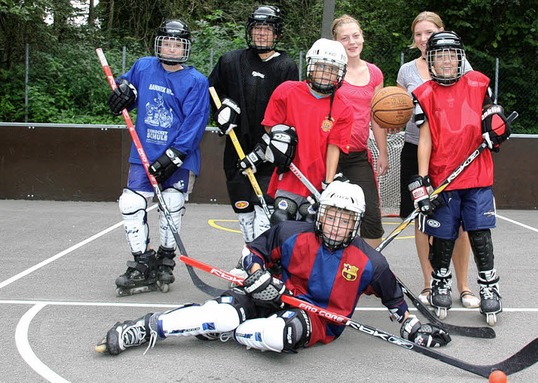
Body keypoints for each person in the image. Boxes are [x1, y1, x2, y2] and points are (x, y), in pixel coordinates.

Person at [95, 181, 451, 355]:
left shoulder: (370, 262)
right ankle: (144, 328)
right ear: (320, 213)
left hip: (316, 319)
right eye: (331, 216)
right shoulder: (291, 233)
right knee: (221, 315)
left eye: (345, 220)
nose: (336, 225)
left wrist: (413, 329)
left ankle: (234, 330)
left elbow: (396, 304)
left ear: (356, 223)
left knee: (278, 337)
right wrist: (256, 277)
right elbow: (252, 255)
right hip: (272, 296)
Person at [409, 31, 511, 325]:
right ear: (430, 60)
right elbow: (425, 140)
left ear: (459, 58)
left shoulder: (479, 83)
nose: (445, 61)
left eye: (450, 56)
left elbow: (492, 119)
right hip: (443, 177)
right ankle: (441, 282)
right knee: (442, 234)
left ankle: (489, 286)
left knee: (479, 232)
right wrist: (424, 179)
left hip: (477, 174)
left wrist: (496, 131)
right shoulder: (424, 94)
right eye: (439, 56)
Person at [106, 19, 210, 296]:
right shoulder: (143, 66)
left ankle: (165, 258)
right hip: (143, 153)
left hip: (179, 157)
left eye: (177, 44)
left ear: (185, 48)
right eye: (167, 43)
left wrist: (174, 156)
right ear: (158, 44)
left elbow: (195, 123)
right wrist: (122, 92)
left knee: (172, 205)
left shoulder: (196, 81)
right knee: (130, 203)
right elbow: (127, 86)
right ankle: (142, 261)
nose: (172, 49)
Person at [396, 11, 480, 309]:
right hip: (415, 148)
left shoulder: (458, 62)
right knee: (422, 219)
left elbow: (472, 102)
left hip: (453, 153)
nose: (422, 39)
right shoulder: (407, 71)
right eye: (418, 34)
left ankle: (465, 286)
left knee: (459, 222)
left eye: (428, 32)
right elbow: (401, 112)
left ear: (441, 32)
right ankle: (430, 283)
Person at [210, 5, 298, 244]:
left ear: (277, 34)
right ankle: (248, 255)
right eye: (257, 28)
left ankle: (260, 259)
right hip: (236, 148)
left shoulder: (286, 67)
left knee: (265, 209)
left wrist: (262, 151)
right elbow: (211, 94)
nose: (261, 34)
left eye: (267, 29)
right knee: (243, 207)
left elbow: (289, 116)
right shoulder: (231, 61)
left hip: (270, 153)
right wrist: (222, 111)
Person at [241, 38, 353, 225]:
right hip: (289, 176)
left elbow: (335, 147)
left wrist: (329, 182)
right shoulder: (287, 92)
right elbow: (270, 127)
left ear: (340, 73)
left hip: (316, 180)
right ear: (311, 66)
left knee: (309, 223)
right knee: (281, 219)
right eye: (321, 67)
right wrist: (282, 141)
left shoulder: (343, 108)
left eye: (332, 69)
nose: (326, 74)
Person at [331, 14, 387, 249]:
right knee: (323, 213)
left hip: (357, 155)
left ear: (363, 37)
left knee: (372, 218)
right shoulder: (329, 70)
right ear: (336, 42)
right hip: (328, 152)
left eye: (356, 36)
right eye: (345, 38)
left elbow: (377, 116)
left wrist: (383, 152)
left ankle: (366, 269)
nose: (352, 42)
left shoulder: (375, 74)